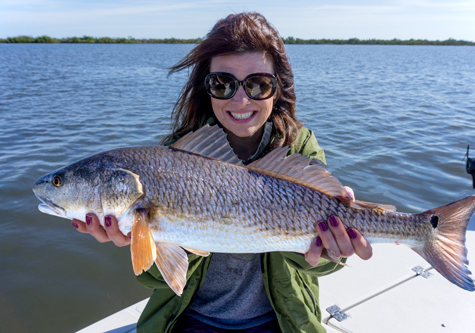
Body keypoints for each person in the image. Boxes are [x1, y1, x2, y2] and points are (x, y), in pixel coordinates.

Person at [71, 12, 372, 333]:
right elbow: (158, 280)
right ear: (207, 87)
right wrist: (135, 239)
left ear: (278, 88)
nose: (241, 99)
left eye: (258, 84)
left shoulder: (300, 148)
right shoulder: (173, 154)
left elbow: (319, 265)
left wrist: (327, 253)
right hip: (188, 318)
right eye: (223, 83)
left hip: (281, 319)